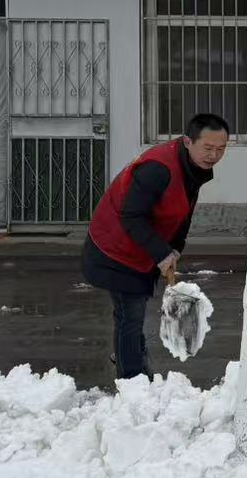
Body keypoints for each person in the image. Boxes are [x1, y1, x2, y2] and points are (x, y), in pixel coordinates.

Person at [84, 114, 230, 379]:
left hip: (140, 247)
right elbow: (131, 215)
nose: (214, 155)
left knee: (129, 315)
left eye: (221, 149)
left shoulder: (192, 165)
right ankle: (132, 379)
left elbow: (183, 211)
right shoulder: (158, 168)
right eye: (208, 148)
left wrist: (175, 248)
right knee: (130, 314)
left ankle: (130, 358)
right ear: (188, 141)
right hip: (115, 248)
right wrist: (161, 252)